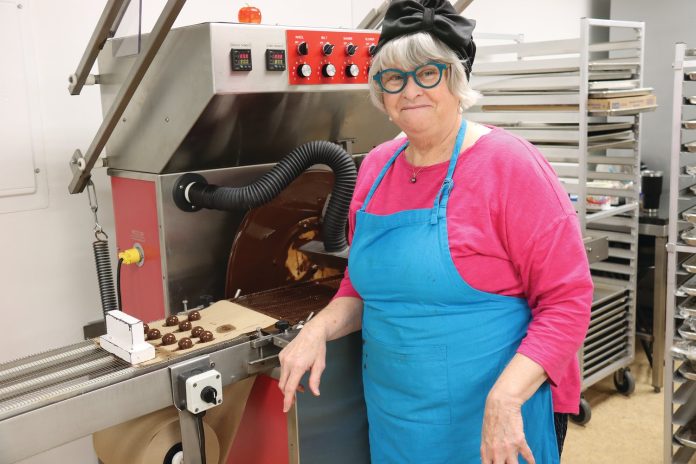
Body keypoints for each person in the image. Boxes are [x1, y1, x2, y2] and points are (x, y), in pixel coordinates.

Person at [278, 1, 593, 462]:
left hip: (495, 421)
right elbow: (360, 286)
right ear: (380, 95)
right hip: (397, 420)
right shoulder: (374, 170)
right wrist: (317, 330)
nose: (410, 91)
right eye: (393, 78)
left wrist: (505, 399)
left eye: (428, 73)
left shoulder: (509, 165)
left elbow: (568, 301)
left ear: (457, 81)